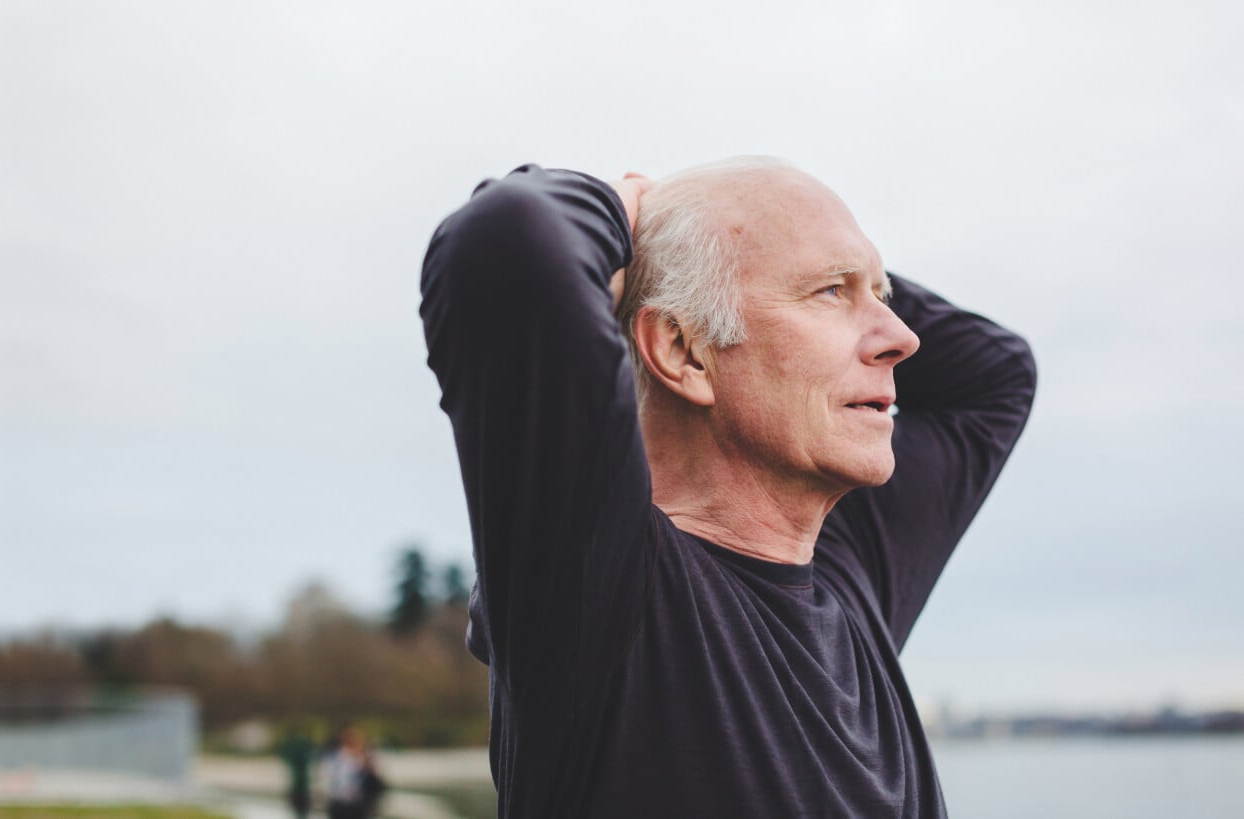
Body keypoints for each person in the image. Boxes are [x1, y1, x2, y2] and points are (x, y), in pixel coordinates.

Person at [418, 159, 1035, 817]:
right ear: (684, 351)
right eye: (830, 291)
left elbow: (997, 375)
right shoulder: (603, 588)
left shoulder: (849, 577)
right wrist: (639, 212)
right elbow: (507, 241)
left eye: (880, 297)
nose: (903, 337)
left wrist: (729, 236)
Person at [324, 725, 384, 819]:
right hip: (340, 804)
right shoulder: (337, 757)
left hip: (356, 804)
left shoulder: (364, 757)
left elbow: (373, 779)